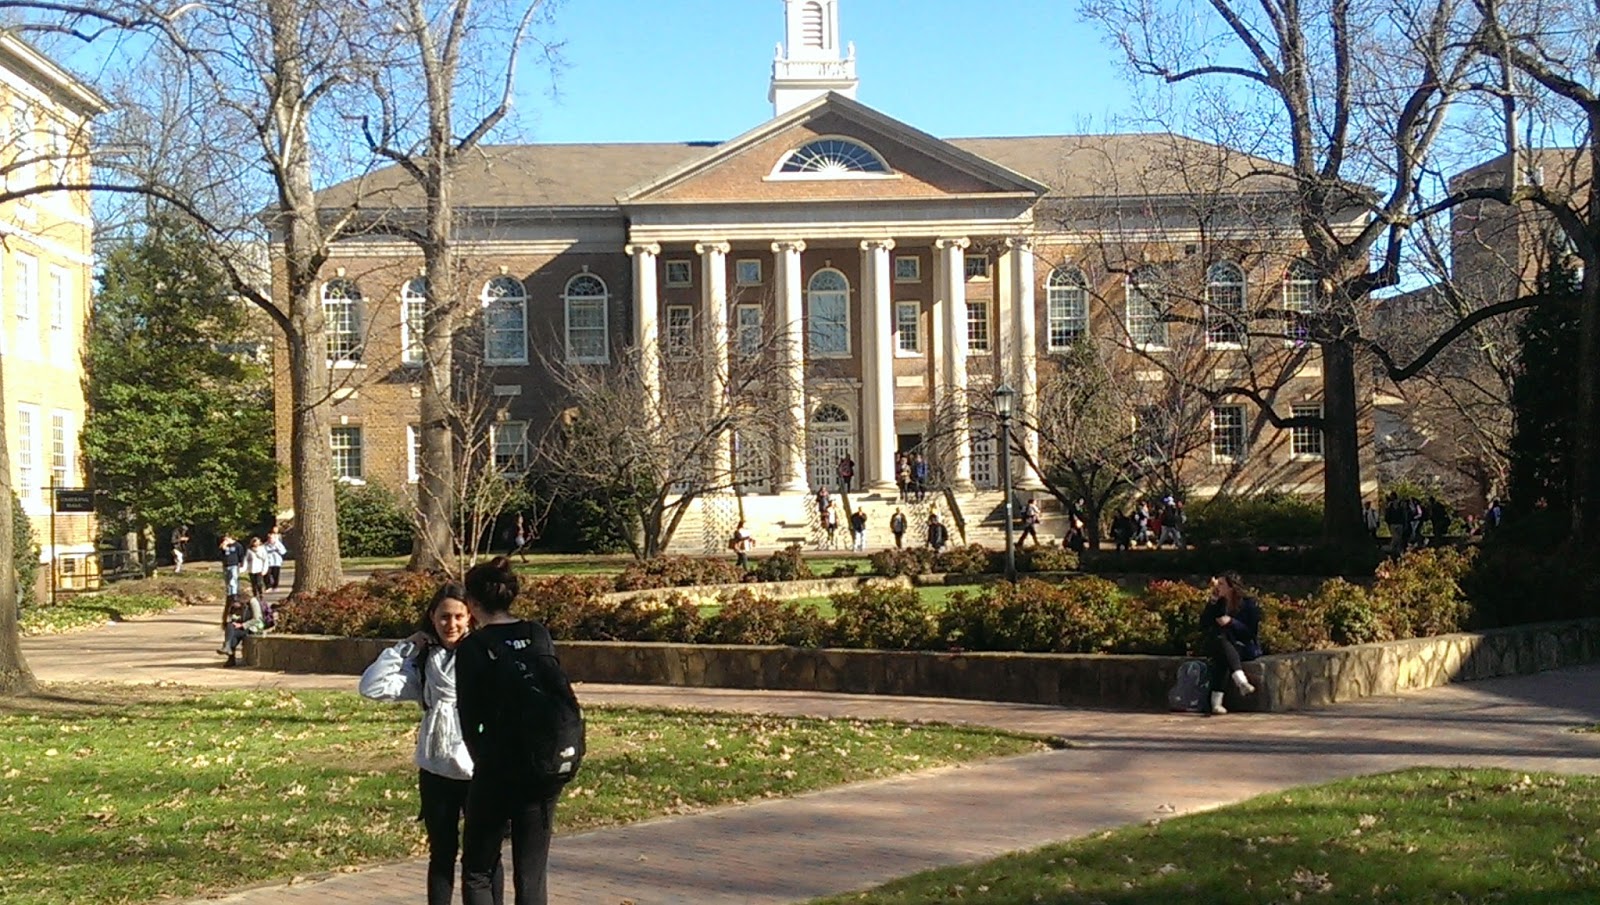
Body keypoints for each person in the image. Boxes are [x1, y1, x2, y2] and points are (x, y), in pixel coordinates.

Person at [360, 583, 500, 905]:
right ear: (432, 617)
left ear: (470, 618)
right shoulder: (425, 661)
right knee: (442, 853)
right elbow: (371, 686)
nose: (451, 624)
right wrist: (405, 648)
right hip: (435, 768)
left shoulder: (484, 655)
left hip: (478, 768)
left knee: (483, 857)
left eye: (458, 617)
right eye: (444, 617)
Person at [456, 558, 561, 905]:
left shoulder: (473, 647)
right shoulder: (537, 633)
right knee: (532, 873)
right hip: (543, 763)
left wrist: (481, 759)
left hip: (497, 766)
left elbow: (469, 716)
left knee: (478, 868)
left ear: (472, 603)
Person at [1199, 572, 1261, 715]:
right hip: (1221, 643)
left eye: (1221, 584)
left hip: (1242, 645)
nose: (1217, 587)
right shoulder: (1218, 602)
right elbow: (1203, 624)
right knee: (1222, 643)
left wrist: (1232, 622)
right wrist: (1212, 602)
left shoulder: (1248, 604)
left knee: (1223, 657)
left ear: (1231, 587)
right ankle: (1241, 682)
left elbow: (1250, 632)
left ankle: (1216, 703)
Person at [218, 593, 265, 667]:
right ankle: (228, 648)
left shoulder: (252, 601)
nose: (234, 607)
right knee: (230, 627)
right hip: (240, 627)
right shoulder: (232, 606)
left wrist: (242, 625)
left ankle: (229, 653)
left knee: (231, 633)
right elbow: (232, 618)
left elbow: (257, 619)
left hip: (252, 627)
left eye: (236, 605)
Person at [219, 533, 245, 598]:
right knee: (227, 581)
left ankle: (234, 594)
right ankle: (229, 594)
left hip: (234, 565)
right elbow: (220, 555)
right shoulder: (224, 545)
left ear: (230, 538)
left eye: (226, 539)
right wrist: (223, 548)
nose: (225, 540)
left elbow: (241, 554)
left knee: (233, 580)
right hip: (226, 565)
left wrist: (241, 562)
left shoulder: (237, 545)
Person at [264, 526, 288, 591]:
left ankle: (275, 586)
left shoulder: (278, 544)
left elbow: (283, 552)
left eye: (271, 538)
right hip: (268, 562)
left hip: (276, 562)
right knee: (267, 574)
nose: (270, 540)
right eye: (269, 538)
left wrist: (277, 548)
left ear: (274, 538)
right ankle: (268, 586)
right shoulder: (265, 545)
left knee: (275, 575)